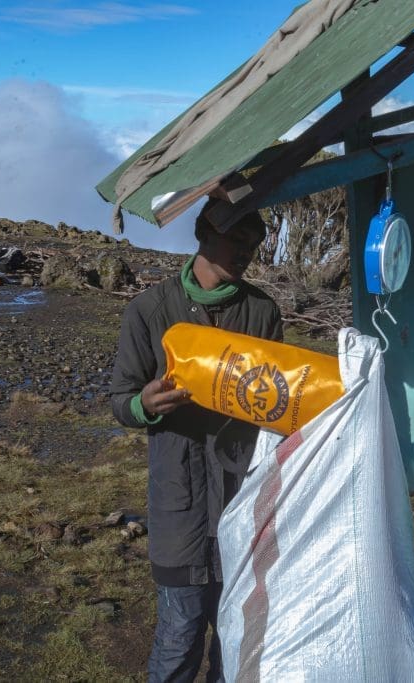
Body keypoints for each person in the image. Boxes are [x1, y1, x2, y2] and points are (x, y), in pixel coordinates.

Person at [110, 198, 282, 683]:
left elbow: (280, 402)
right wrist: (144, 404)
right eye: (235, 239)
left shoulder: (261, 312)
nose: (245, 251)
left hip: (242, 502)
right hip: (178, 503)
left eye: (252, 243)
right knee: (179, 635)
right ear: (203, 233)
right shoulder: (148, 311)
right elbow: (120, 400)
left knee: (237, 636)